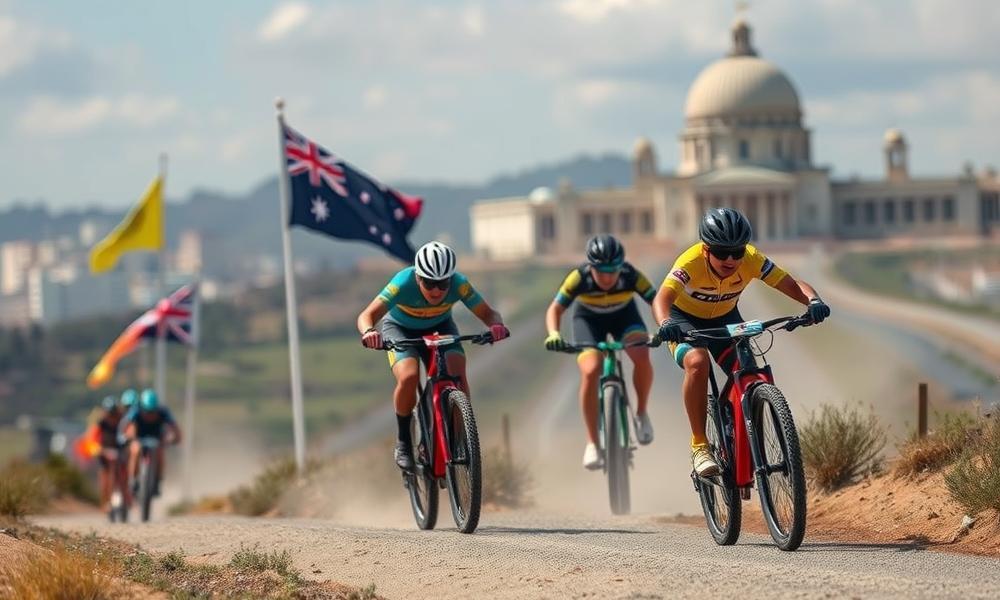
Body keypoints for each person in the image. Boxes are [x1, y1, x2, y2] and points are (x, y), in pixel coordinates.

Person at [652, 207, 831, 477]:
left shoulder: (752, 259)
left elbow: (791, 284)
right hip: (683, 320)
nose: (731, 259)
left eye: (737, 251)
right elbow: (662, 299)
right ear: (705, 250)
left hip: (725, 318)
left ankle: (741, 428)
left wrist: (813, 301)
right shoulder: (689, 263)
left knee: (748, 370)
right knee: (698, 363)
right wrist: (666, 323)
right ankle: (700, 446)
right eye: (722, 252)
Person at [356, 241, 509, 470]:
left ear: (450, 279)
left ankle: (457, 438)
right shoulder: (402, 282)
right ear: (418, 278)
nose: (437, 290)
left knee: (457, 371)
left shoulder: (460, 284)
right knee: (408, 376)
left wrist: (496, 326)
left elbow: (489, 314)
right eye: (429, 283)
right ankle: (404, 442)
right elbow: (366, 316)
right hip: (400, 328)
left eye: (442, 283)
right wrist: (369, 332)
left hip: (440, 327)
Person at [544, 234, 657, 470]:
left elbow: (656, 301)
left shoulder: (631, 275)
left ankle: (641, 413)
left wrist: (665, 326)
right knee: (591, 369)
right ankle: (592, 443)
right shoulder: (578, 278)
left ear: (621, 266)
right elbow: (555, 308)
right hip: (588, 321)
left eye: (613, 270)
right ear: (590, 267)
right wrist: (554, 333)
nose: (607, 276)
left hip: (624, 318)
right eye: (601, 270)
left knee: (641, 355)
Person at [122, 388, 181, 496]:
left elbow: (175, 428)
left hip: (156, 438)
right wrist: (127, 437)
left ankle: (158, 481)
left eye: (152, 412)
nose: (150, 415)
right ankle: (133, 480)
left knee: (160, 453)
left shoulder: (163, 412)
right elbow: (127, 427)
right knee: (135, 449)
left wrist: (175, 438)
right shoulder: (136, 411)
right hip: (139, 437)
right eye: (147, 412)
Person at [95, 395, 127, 512]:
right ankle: (105, 502)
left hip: (120, 451)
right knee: (104, 478)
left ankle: (127, 499)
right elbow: (92, 439)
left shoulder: (123, 421)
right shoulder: (101, 423)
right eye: (109, 414)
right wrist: (102, 450)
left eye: (114, 413)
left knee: (124, 475)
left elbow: (129, 433)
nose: (112, 417)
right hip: (105, 453)